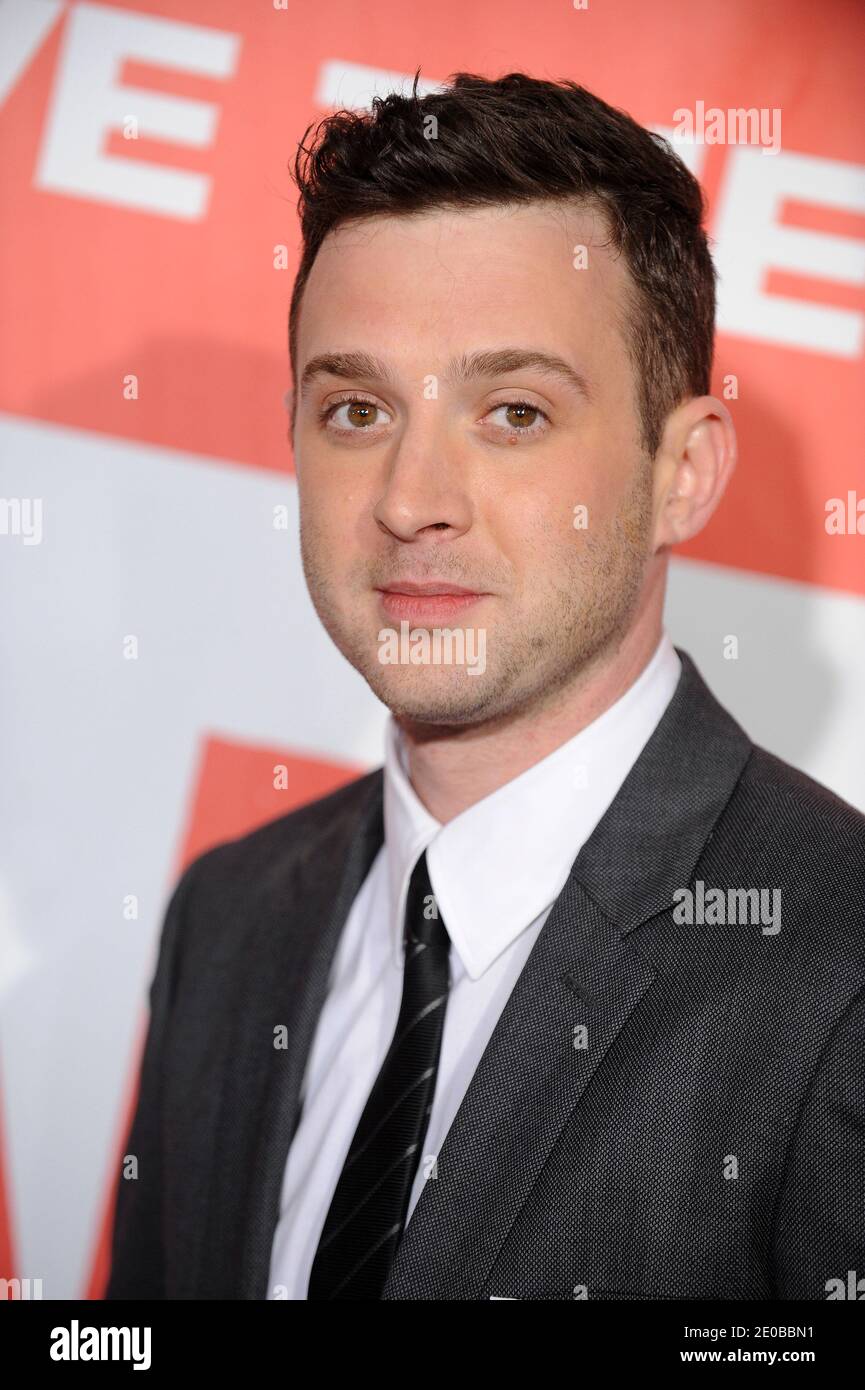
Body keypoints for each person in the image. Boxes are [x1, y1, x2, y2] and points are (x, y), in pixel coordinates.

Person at [105, 72, 865, 1301]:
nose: (410, 500)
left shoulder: (836, 965)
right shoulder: (230, 917)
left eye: (513, 411)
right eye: (355, 408)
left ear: (683, 472)